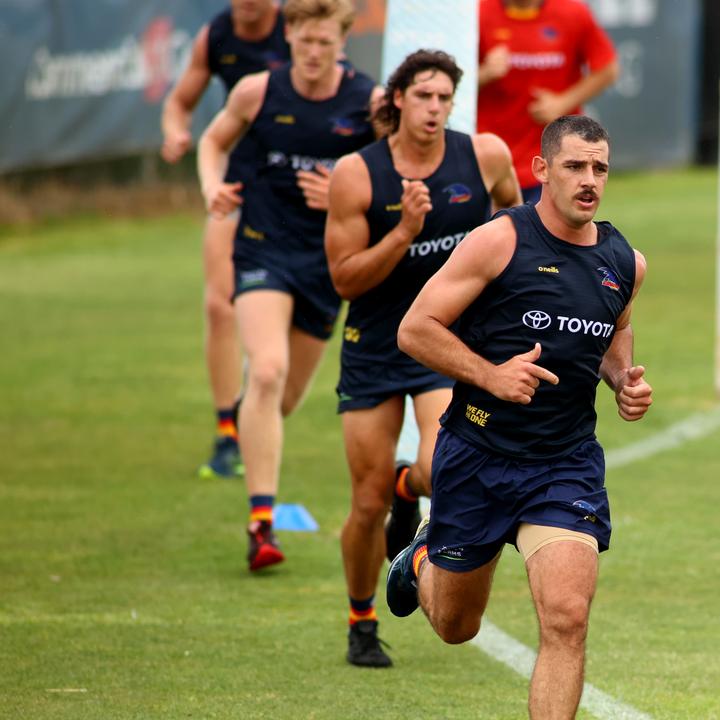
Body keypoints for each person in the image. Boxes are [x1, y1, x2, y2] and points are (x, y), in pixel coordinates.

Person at [387, 115, 652, 718]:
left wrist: (622, 382)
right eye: (574, 167)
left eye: (600, 168)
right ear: (540, 170)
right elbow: (415, 329)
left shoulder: (625, 263)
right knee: (457, 625)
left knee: (568, 618)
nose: (589, 180)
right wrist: (491, 375)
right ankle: (424, 558)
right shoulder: (500, 240)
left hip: (564, 464)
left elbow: (616, 333)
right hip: (477, 455)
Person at [324, 49, 521, 668]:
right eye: (424, 96)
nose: (435, 108)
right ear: (398, 99)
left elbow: (518, 221)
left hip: (445, 344)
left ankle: (413, 493)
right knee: (367, 499)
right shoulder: (357, 175)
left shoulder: (483, 155)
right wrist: (404, 232)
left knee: (441, 470)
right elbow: (345, 280)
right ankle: (361, 620)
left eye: (445, 98)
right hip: (375, 350)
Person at [197, 0, 381, 572]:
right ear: (291, 35)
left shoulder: (369, 102)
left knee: (284, 397)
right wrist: (212, 189)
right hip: (263, 249)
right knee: (270, 370)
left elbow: (392, 175)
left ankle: (256, 402)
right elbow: (212, 143)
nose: (314, 52)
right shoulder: (257, 91)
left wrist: (345, 196)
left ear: (342, 41)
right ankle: (261, 523)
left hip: (328, 265)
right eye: (304, 41)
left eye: (325, 42)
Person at [161, 0, 288, 480]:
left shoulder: (296, 31)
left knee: (283, 361)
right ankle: (225, 431)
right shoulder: (216, 36)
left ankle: (258, 412)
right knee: (219, 305)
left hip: (294, 198)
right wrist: (176, 133)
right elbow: (179, 103)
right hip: (237, 185)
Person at [477, 0, 618, 204]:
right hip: (492, 161)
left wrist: (563, 103)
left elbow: (608, 69)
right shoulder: (478, 13)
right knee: (493, 234)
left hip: (554, 158)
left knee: (553, 234)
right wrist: (484, 74)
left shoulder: (572, 11)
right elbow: (447, 82)